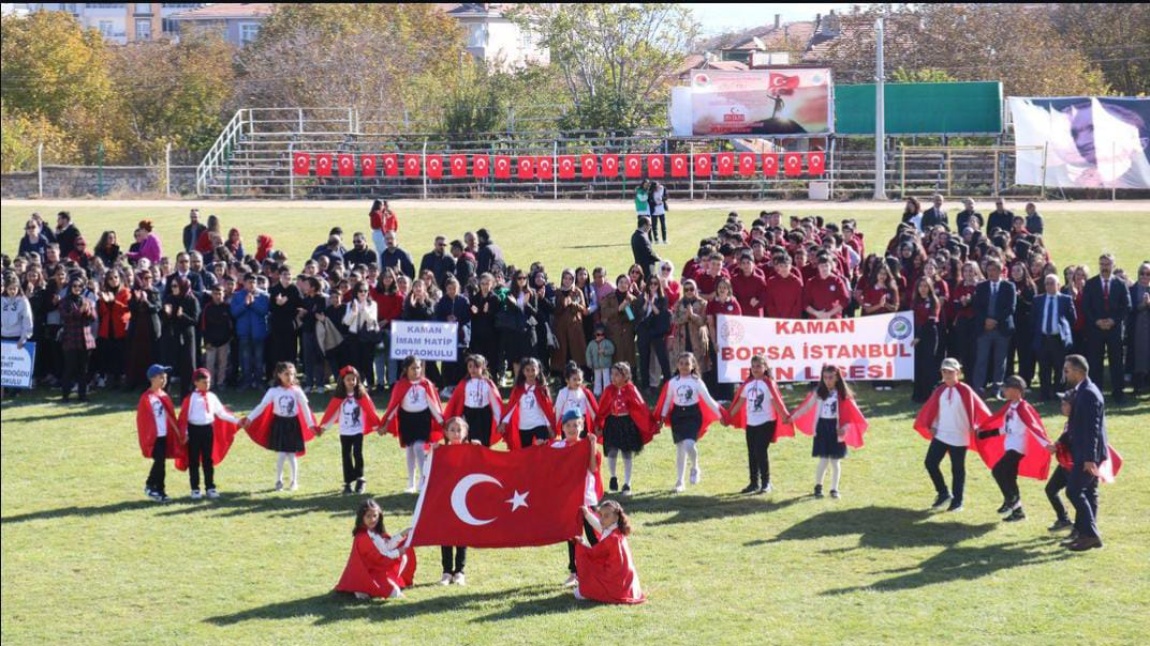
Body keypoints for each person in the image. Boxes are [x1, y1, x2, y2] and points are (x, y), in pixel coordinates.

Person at [913, 358, 992, 512]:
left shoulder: (965, 390)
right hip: (942, 433)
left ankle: (958, 500)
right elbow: (934, 410)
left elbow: (978, 410)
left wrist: (974, 426)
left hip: (959, 435)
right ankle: (943, 493)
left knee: (957, 469)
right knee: (930, 463)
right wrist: (932, 426)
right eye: (944, 371)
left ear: (958, 373)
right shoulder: (940, 390)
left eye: (950, 371)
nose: (947, 374)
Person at [973, 375, 1052, 522]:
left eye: (1006, 388)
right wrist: (986, 434)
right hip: (1011, 446)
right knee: (1009, 476)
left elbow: (1033, 427)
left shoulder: (1023, 407)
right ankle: (1016, 509)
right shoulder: (1011, 406)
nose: (1004, 390)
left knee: (998, 471)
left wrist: (1046, 445)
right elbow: (1006, 428)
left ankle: (1012, 502)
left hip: (1017, 448)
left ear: (1016, 390)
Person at [786, 364, 868, 499]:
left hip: (836, 429)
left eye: (831, 377)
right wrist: (792, 418)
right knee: (823, 460)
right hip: (822, 428)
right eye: (825, 377)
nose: (828, 380)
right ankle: (818, 486)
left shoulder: (843, 395)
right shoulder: (819, 392)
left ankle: (834, 489)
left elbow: (851, 416)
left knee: (835, 461)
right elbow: (806, 407)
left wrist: (844, 429)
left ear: (837, 378)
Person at [242, 362, 318, 492]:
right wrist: (250, 417)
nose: (290, 377)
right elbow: (262, 406)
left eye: (292, 374)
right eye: (286, 374)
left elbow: (305, 408)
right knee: (282, 454)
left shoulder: (297, 391)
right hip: (280, 425)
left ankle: (294, 481)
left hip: (293, 425)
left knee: (292, 455)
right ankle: (279, 480)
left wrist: (311, 424)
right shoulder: (273, 391)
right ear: (279, 375)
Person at [1061, 354, 1110, 551]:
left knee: (1073, 490)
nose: (1064, 374)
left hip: (1088, 454)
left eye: (1067, 371)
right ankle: (1084, 534)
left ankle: (1090, 534)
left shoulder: (1088, 393)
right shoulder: (1083, 390)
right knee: (1088, 492)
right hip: (1085, 451)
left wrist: (1090, 458)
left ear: (1079, 372)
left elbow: (1092, 428)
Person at [727, 354, 793, 494]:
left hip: (766, 422)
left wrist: (784, 416)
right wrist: (728, 416)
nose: (756, 369)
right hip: (751, 424)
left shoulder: (768, 384)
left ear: (765, 367)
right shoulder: (747, 384)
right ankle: (753, 483)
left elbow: (776, 402)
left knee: (760, 451)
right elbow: (740, 402)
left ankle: (766, 482)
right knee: (752, 453)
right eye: (753, 366)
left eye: (759, 366)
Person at [656, 352, 722, 493]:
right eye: (681, 363)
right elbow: (667, 401)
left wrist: (720, 415)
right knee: (680, 449)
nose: (684, 366)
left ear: (693, 365)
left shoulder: (696, 381)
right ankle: (680, 481)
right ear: (677, 365)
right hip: (678, 416)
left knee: (689, 444)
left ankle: (695, 467)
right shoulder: (673, 382)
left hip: (692, 415)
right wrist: (662, 417)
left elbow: (708, 400)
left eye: (687, 363)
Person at [554, 409, 605, 588]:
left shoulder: (587, 444)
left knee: (593, 534)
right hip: (568, 499)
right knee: (572, 535)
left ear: (582, 425)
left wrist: (592, 447)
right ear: (563, 427)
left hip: (587, 497)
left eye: (576, 424)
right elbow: (545, 463)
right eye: (568, 425)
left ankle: (603, 566)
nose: (572, 428)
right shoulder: (557, 447)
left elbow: (593, 468)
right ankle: (574, 571)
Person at [381, 356, 445, 493]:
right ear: (406, 369)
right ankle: (411, 482)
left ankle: (423, 478)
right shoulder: (401, 385)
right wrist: (386, 423)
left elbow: (433, 403)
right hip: (407, 419)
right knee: (410, 448)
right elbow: (394, 405)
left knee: (418, 446)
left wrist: (441, 421)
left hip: (422, 419)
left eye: (418, 367)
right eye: (413, 368)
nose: (416, 371)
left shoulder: (426, 384)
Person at [177, 368, 241, 501]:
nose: (207, 385)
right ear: (196, 383)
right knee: (193, 460)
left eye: (209, 382)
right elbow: (184, 417)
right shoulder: (191, 398)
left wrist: (237, 420)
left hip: (208, 430)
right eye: (204, 382)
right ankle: (195, 489)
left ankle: (210, 487)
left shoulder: (212, 397)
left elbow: (221, 413)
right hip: (194, 431)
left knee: (208, 460)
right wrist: (186, 433)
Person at [316, 366, 381, 495]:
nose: (351, 382)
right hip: (344, 432)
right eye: (348, 380)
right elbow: (333, 413)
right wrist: (324, 427)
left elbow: (369, 411)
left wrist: (377, 427)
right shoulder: (340, 398)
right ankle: (348, 482)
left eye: (353, 379)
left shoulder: (361, 396)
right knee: (346, 456)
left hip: (357, 430)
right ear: (342, 381)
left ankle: (360, 479)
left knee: (357, 453)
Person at [334, 498, 415, 600]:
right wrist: (398, 552)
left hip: (376, 571)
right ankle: (360, 587)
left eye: (375, 516)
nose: (372, 519)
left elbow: (386, 546)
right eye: (368, 516)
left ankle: (364, 588)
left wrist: (402, 534)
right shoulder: (362, 537)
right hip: (368, 573)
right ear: (361, 517)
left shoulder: (375, 532)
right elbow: (380, 556)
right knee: (394, 593)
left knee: (395, 590)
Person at [573, 500, 645, 604]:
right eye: (600, 515)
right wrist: (587, 514)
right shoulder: (615, 530)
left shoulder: (613, 538)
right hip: (624, 580)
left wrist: (581, 543)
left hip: (615, 582)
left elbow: (594, 554)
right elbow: (599, 526)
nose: (601, 519)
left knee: (579, 593)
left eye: (606, 516)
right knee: (581, 589)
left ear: (615, 517)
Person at [1081, 253, 1131, 402]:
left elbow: (1127, 306)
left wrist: (1113, 320)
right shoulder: (1091, 284)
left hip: (1114, 330)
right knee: (1095, 362)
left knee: (1116, 361)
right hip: (1095, 330)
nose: (1104, 267)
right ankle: (1096, 394)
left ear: (1113, 265)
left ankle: (1118, 393)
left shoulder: (1120, 284)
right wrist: (1096, 321)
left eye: (1107, 264)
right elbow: (1086, 306)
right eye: (1102, 264)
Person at [136, 365, 184, 503]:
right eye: (161, 376)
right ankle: (152, 486)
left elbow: (170, 417)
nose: (164, 379)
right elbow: (144, 421)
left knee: (161, 461)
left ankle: (159, 489)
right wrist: (148, 437)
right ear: (152, 379)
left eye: (165, 376)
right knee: (160, 462)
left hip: (164, 435)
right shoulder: (147, 398)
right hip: (154, 436)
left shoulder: (164, 396)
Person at [971, 258, 1016, 398]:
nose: (991, 273)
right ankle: (978, 389)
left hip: (1001, 329)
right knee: (981, 359)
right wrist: (986, 320)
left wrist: (995, 320)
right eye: (989, 270)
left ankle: (997, 389)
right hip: (984, 329)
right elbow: (977, 307)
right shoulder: (981, 286)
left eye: (994, 270)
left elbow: (1010, 308)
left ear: (1000, 271)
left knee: (1000, 361)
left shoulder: (1009, 286)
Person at [442, 354, 503, 447]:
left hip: (484, 415)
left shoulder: (488, 384)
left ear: (483, 367)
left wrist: (499, 421)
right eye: (470, 366)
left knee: (484, 441)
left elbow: (495, 404)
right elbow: (456, 401)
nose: (473, 369)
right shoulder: (464, 383)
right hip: (468, 415)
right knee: (469, 440)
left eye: (476, 366)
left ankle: (483, 459)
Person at [1033, 274, 1076, 401]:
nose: (1049, 286)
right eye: (1046, 283)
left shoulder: (1065, 299)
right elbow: (1034, 319)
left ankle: (1058, 393)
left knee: (1060, 368)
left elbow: (1072, 319)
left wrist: (1063, 330)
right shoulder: (1038, 300)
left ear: (1058, 285)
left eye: (1052, 283)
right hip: (1043, 338)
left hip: (1058, 339)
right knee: (1044, 368)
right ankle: (1044, 393)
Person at [499, 357, 556, 450]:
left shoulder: (542, 389)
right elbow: (511, 408)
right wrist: (504, 423)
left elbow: (545, 410)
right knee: (526, 453)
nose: (530, 373)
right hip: (524, 426)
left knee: (543, 449)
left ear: (538, 370)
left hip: (540, 424)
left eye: (533, 370)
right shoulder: (518, 389)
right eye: (527, 370)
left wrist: (549, 427)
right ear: (523, 371)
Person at [59, 274, 96, 403]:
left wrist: (88, 311)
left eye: (80, 286)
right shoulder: (64, 301)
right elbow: (66, 317)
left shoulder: (87, 300)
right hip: (71, 339)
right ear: (70, 287)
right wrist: (80, 311)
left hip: (85, 339)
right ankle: (65, 395)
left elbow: (93, 318)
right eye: (74, 286)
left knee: (83, 370)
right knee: (69, 368)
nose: (77, 288)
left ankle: (82, 394)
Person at [231, 273, 269, 390]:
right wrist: (244, 304)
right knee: (245, 359)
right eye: (249, 282)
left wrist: (253, 303)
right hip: (244, 333)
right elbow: (234, 313)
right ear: (244, 283)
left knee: (259, 359)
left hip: (259, 333)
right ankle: (246, 381)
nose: (252, 285)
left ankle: (258, 381)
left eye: (254, 282)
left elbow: (264, 311)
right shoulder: (237, 296)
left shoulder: (264, 296)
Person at [634, 278, 671, 393]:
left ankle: (668, 383)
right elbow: (639, 314)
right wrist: (646, 303)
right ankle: (646, 385)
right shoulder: (641, 297)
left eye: (655, 283)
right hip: (644, 330)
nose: (653, 285)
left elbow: (660, 314)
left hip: (657, 330)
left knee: (662, 357)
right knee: (644, 358)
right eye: (651, 283)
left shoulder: (662, 298)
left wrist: (652, 303)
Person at [551, 269, 588, 373]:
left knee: (576, 352)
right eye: (565, 278)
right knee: (562, 353)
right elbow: (555, 309)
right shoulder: (557, 292)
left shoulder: (577, 291)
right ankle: (561, 377)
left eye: (570, 278)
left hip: (574, 326)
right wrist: (565, 301)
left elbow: (584, 310)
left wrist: (575, 305)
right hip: (560, 327)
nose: (567, 281)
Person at [911, 277, 942, 402]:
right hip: (917, 334)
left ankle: (929, 394)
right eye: (920, 286)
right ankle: (918, 394)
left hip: (929, 334)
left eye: (925, 286)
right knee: (918, 363)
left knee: (928, 363)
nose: (923, 289)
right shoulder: (915, 301)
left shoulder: (934, 301)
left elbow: (931, 321)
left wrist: (919, 336)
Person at [598, 275, 637, 368]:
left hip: (627, 333)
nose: (623, 285)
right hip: (613, 332)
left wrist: (626, 307)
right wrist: (618, 309)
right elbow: (604, 312)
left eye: (625, 283)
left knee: (628, 359)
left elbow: (632, 318)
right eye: (621, 282)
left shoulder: (633, 299)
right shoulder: (609, 297)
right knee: (615, 357)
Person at [1130, 262, 1150, 394]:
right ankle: (1137, 384)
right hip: (1136, 329)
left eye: (1148, 274)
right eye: (1141, 273)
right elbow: (1127, 310)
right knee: (1137, 356)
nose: (1144, 276)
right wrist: (1141, 306)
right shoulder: (1131, 290)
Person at [585, 323, 615, 397]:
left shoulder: (607, 342)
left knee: (606, 379)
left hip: (606, 364)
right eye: (598, 334)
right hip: (596, 365)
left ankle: (607, 391)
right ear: (595, 334)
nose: (601, 336)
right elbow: (588, 354)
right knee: (597, 379)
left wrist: (604, 351)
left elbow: (612, 350)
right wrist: (589, 362)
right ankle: (597, 392)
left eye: (602, 334)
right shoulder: (591, 344)